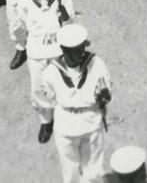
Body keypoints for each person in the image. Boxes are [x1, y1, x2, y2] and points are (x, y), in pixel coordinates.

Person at [10, 0, 76, 144]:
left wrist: (64, 15)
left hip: (58, 49)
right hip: (37, 51)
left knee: (65, 86)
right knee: (38, 89)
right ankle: (46, 121)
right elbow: (21, 23)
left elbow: (71, 19)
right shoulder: (25, 0)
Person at [37, 25, 112, 183]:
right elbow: (48, 97)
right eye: (76, 50)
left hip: (91, 122)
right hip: (66, 125)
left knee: (93, 171)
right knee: (70, 172)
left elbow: (107, 91)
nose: (81, 53)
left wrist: (104, 96)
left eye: (82, 48)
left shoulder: (96, 64)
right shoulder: (51, 71)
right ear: (64, 50)